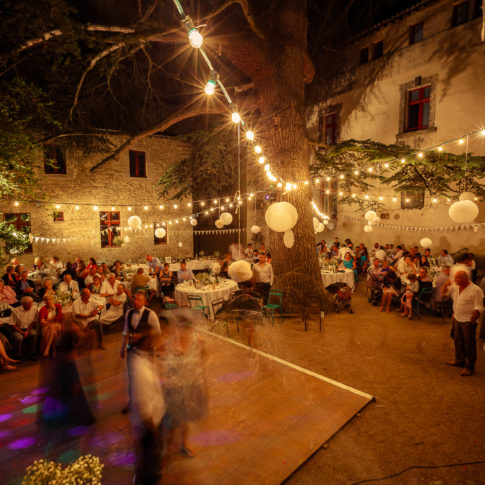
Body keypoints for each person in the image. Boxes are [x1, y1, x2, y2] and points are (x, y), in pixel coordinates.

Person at [120, 292, 164, 485]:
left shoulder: (151, 314)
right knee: (134, 378)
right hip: (133, 350)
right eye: (134, 299)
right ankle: (134, 401)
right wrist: (123, 347)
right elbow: (125, 332)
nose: (135, 302)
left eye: (138, 299)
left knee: (146, 377)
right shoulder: (129, 314)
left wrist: (151, 341)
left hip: (146, 351)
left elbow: (158, 332)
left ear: (144, 301)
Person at [442, 271, 483, 376]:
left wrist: (473, 319)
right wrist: (446, 284)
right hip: (457, 318)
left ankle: (470, 367)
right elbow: (444, 293)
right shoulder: (456, 287)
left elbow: (479, 307)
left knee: (469, 344)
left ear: (464, 279)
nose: (454, 280)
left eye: (457, 278)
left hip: (468, 320)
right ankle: (459, 360)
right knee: (458, 340)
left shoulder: (476, 290)